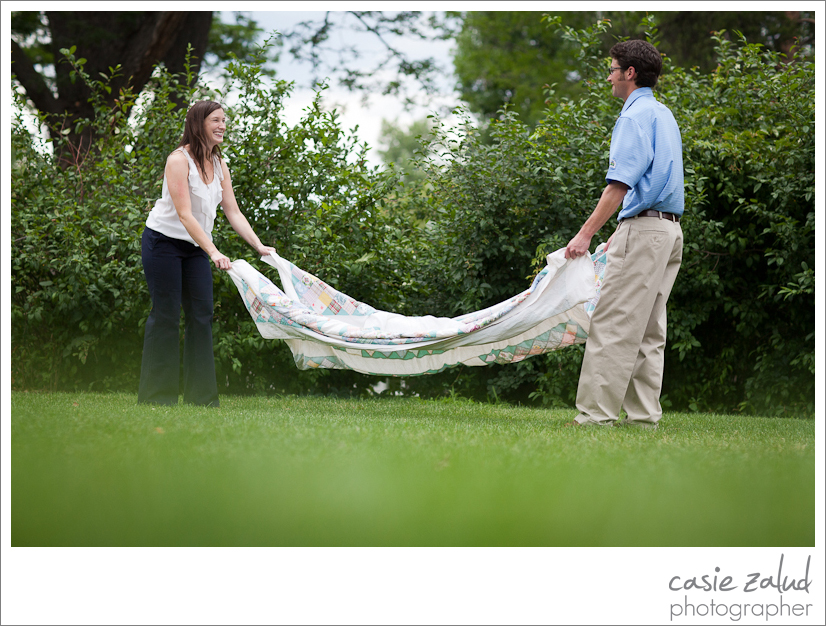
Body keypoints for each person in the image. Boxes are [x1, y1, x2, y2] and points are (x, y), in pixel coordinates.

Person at [564, 40, 684, 429]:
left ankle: (595, 416)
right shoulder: (663, 114)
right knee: (650, 329)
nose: (610, 77)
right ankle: (643, 418)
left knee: (614, 322)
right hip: (668, 231)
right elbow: (658, 181)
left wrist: (585, 235)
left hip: (644, 231)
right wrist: (622, 231)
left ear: (630, 73)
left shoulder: (634, 117)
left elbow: (619, 184)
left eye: (613, 69)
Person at [138, 101, 275, 407]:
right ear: (199, 123)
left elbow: (233, 211)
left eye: (224, 120)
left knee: (201, 316)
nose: (223, 125)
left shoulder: (219, 163)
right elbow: (185, 215)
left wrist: (258, 246)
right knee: (166, 316)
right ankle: (157, 399)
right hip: (163, 243)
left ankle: (201, 400)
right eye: (216, 120)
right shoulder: (178, 160)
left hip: (196, 248)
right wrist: (213, 251)